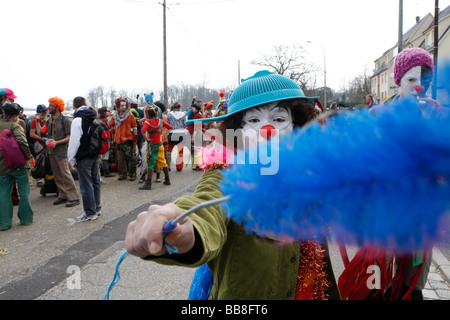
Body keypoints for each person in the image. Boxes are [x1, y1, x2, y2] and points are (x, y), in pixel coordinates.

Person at [125, 70, 341, 300]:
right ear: (237, 131)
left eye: (279, 119)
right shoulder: (226, 174)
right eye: (254, 120)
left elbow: (323, 265)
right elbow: (206, 204)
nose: (267, 131)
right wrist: (184, 229)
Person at [342, 47, 441, 300]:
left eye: (425, 80)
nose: (419, 87)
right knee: (378, 279)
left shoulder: (437, 115)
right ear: (398, 81)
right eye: (411, 80)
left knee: (412, 281)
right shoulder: (378, 116)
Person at [67, 96, 102, 222]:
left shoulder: (77, 120)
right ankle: (97, 208)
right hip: (95, 153)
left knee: (86, 184)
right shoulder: (93, 116)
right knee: (95, 181)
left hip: (84, 156)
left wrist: (71, 159)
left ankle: (90, 212)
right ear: (85, 103)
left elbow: (74, 141)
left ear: (74, 106)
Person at [0, 103, 33, 230]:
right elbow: (23, 142)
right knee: (23, 191)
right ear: (14, 115)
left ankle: (4, 223)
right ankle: (25, 219)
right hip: (18, 164)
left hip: (2, 166)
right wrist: (27, 158)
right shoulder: (14, 126)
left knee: (3, 193)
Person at [44, 97, 80, 207]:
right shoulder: (49, 120)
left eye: (51, 105)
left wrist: (57, 142)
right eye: (49, 105)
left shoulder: (65, 120)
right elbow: (44, 134)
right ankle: (63, 195)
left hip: (61, 151)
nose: (49, 107)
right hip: (51, 152)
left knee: (65, 173)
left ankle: (74, 197)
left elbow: (69, 137)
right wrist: (47, 141)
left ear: (58, 107)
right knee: (57, 174)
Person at [139, 106, 173, 190]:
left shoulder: (148, 122)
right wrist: (163, 135)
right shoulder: (160, 121)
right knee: (162, 162)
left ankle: (148, 184)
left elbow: (143, 131)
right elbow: (170, 127)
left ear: (148, 114)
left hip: (152, 146)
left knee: (150, 163)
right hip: (160, 145)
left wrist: (146, 139)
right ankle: (167, 180)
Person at [110, 98, 138, 181]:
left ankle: (132, 174)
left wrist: (135, 137)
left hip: (128, 139)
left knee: (131, 158)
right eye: (121, 105)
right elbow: (111, 125)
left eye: (125, 105)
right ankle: (123, 174)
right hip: (118, 140)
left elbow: (134, 126)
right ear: (118, 106)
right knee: (120, 159)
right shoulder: (115, 116)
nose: (123, 107)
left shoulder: (130, 115)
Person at [166, 102, 188, 172]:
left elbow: (167, 124)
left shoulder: (169, 114)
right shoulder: (183, 114)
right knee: (180, 151)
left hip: (172, 133)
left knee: (169, 150)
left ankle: (167, 166)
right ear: (179, 107)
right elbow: (185, 125)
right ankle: (179, 167)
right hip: (181, 134)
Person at [98, 107, 115, 178]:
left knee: (104, 157)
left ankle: (103, 170)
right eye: (107, 111)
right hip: (104, 142)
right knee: (105, 157)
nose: (109, 112)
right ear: (104, 113)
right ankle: (106, 171)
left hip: (104, 141)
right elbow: (105, 132)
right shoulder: (103, 121)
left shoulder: (103, 120)